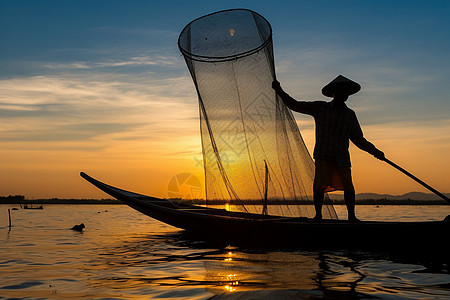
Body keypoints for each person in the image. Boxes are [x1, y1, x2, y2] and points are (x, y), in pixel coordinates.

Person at [272, 75, 385, 222]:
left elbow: (359, 139)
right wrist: (279, 89)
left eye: (345, 92)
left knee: (348, 188)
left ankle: (352, 217)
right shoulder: (321, 108)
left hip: (342, 158)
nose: (343, 94)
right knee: (319, 186)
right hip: (324, 155)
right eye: (340, 91)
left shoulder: (350, 115)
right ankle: (318, 216)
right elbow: (294, 104)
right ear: (333, 93)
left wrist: (375, 151)